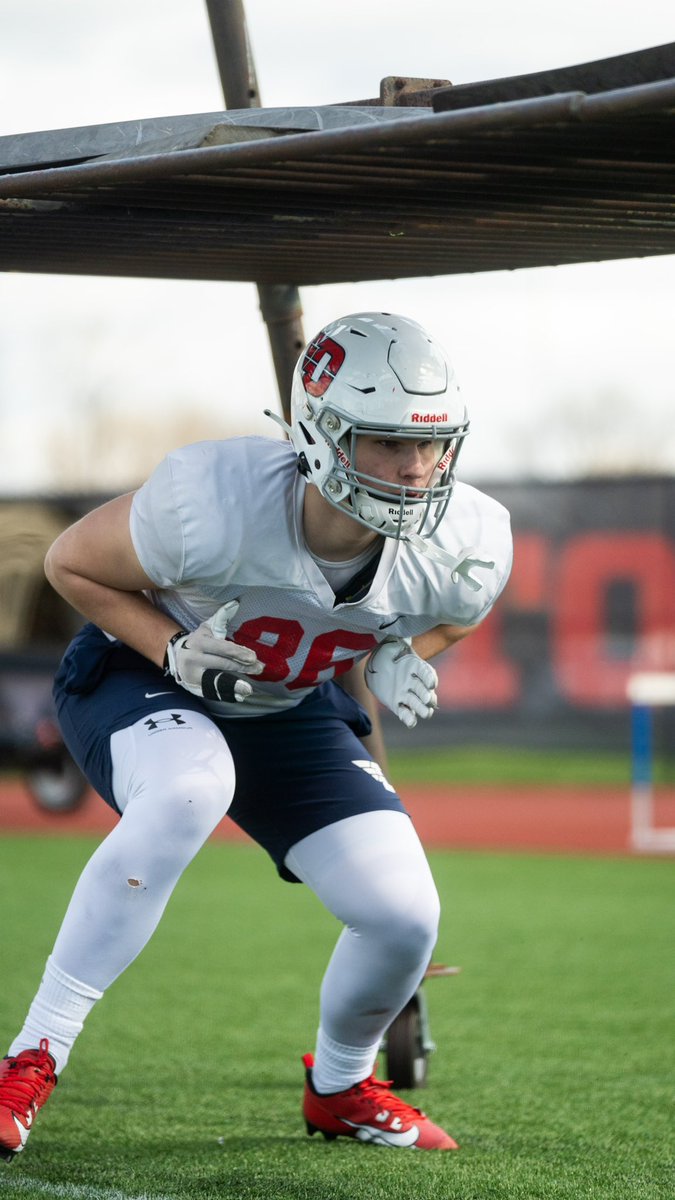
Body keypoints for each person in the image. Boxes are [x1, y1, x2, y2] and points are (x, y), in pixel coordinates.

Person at [0, 312, 512, 1158]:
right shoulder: (216, 500)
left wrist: (395, 652)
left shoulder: (466, 543)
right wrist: (170, 644)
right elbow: (69, 563)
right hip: (145, 675)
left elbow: (456, 615)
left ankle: (340, 1089)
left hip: (287, 703)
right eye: (387, 442)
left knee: (402, 914)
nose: (416, 467)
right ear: (320, 433)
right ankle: (33, 1054)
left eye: (432, 443)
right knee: (191, 786)